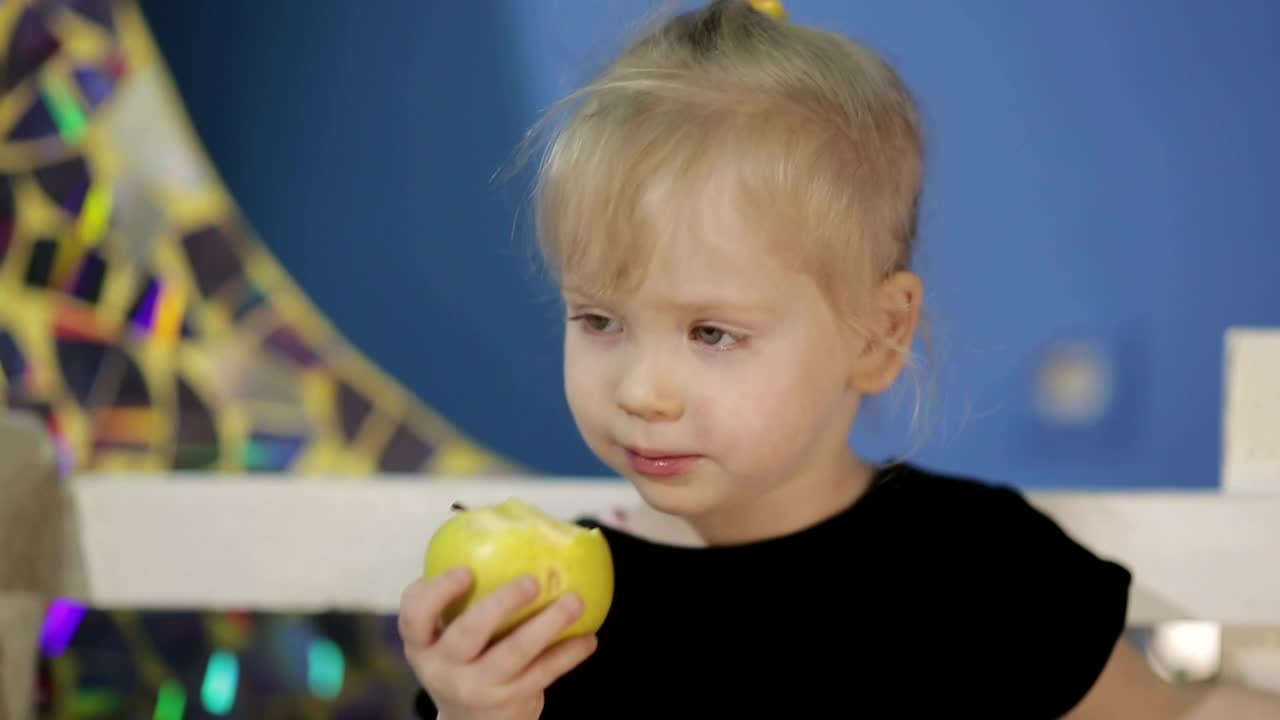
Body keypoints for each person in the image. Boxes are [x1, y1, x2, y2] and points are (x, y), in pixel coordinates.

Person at [399, 1, 1176, 717]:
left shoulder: (983, 571)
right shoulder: (541, 622)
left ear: (877, 336)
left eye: (712, 333)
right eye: (600, 319)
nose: (641, 391)